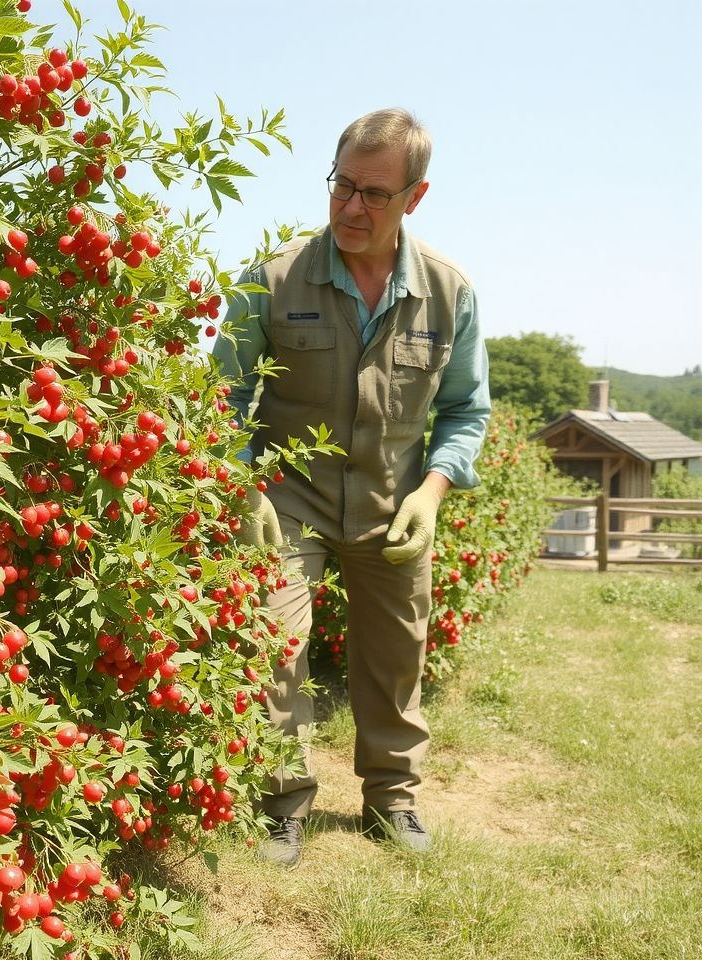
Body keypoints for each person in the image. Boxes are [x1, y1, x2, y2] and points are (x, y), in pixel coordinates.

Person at [212, 108, 491, 865]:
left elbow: (467, 411)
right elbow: (221, 399)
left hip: (392, 499)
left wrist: (430, 495)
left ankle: (392, 801)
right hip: (285, 500)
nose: (351, 208)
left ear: (415, 197)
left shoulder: (449, 293)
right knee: (272, 640)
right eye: (342, 186)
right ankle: (279, 802)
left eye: (374, 193)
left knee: (396, 655)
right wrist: (244, 488)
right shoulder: (271, 279)